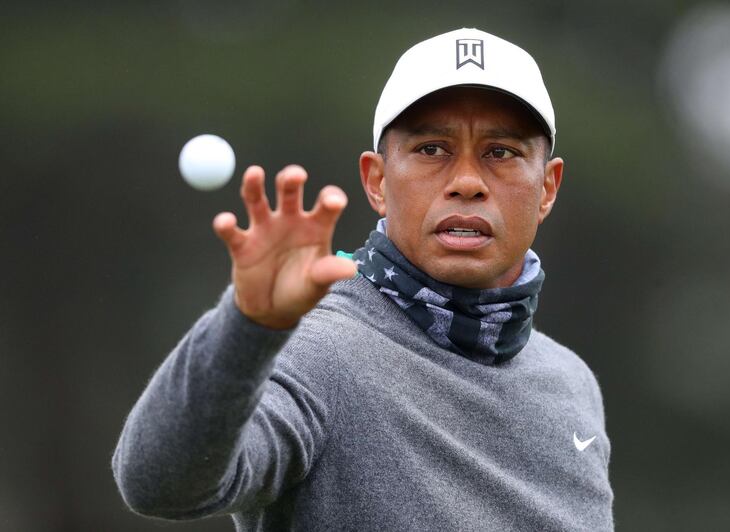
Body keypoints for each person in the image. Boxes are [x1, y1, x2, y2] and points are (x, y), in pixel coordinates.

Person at [112, 28, 613, 531]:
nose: (467, 182)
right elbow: (161, 484)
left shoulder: (570, 382)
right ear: (376, 181)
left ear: (547, 188)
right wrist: (246, 326)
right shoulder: (320, 352)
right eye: (433, 149)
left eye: (500, 152)